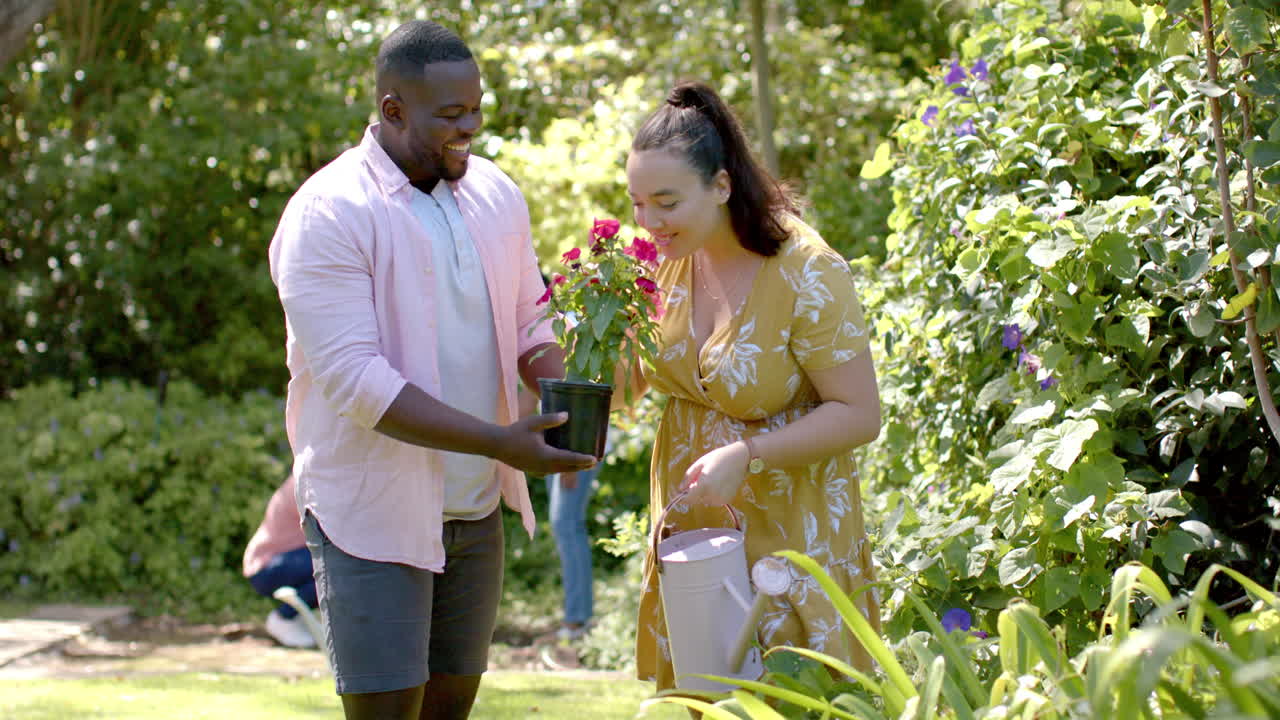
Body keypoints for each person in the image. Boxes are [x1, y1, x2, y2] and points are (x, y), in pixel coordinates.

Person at [267, 19, 596, 720]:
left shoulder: (496, 195)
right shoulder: (327, 213)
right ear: (393, 111)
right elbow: (357, 383)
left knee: (451, 709)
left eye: (476, 107)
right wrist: (499, 440)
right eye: (451, 115)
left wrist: (567, 392)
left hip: (476, 509)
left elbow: (527, 320)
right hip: (372, 513)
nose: (471, 126)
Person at [623, 80, 883, 692]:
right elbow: (624, 381)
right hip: (695, 534)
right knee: (704, 696)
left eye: (665, 202)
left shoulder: (806, 270)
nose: (649, 222)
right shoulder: (666, 260)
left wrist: (748, 453)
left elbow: (860, 413)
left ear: (721, 184)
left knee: (793, 699)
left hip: (789, 536)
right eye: (637, 203)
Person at [243, 473, 318, 648]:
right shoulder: (307, 482)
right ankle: (284, 618)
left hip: (280, 561)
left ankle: (297, 618)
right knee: (334, 566)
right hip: (267, 565)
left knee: (336, 564)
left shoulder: (307, 476)